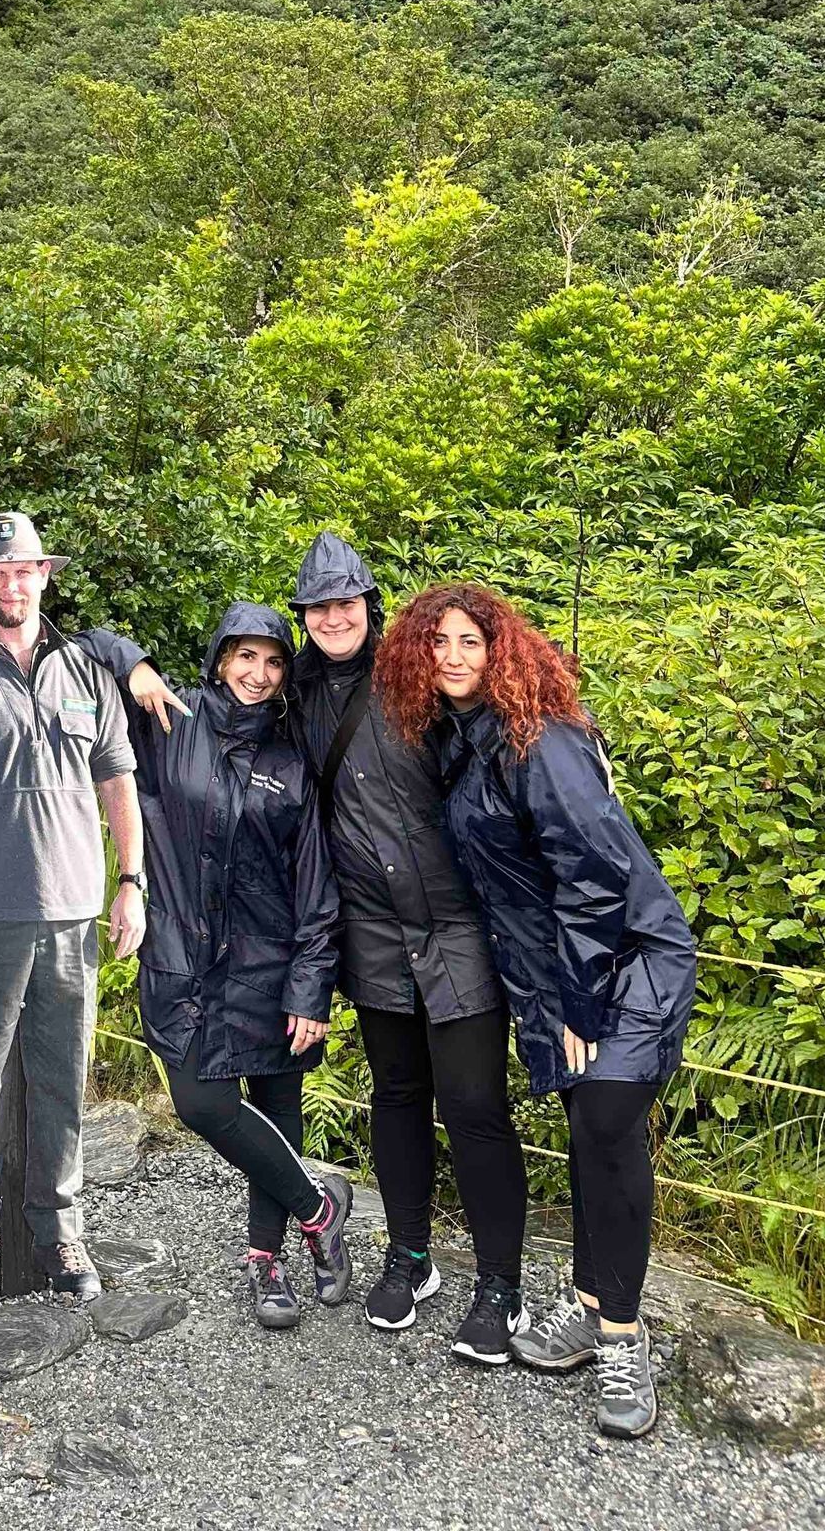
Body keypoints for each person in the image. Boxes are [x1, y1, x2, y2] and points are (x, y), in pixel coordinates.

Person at [375, 584, 698, 1440]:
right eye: (437, 640)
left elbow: (593, 879)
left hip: (624, 962)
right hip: (553, 976)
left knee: (605, 1129)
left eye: (470, 641)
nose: (451, 655)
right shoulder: (464, 742)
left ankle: (623, 1339)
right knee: (589, 1134)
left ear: (500, 651)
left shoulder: (539, 740)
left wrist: (581, 1006)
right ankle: (594, 1303)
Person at [282, 532, 530, 1359]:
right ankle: (410, 1255)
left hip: (458, 929)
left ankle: (502, 1283)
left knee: (474, 1108)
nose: (333, 616)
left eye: (345, 601)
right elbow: (221, 702)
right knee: (395, 1096)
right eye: (318, 606)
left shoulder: (416, 675)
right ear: (305, 617)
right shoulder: (299, 693)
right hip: (373, 933)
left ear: (369, 603)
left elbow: (496, 737)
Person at [0, 511, 147, 1308]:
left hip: (77, 911)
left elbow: (118, 780)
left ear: (45, 575)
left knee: (63, 1080)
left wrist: (133, 882)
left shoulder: (87, 673)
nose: (11, 584)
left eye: (25, 570)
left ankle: (58, 1227)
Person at [122, 602, 356, 1328]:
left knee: (278, 1111)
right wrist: (131, 663)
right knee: (203, 1104)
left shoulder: (291, 761)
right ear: (220, 658)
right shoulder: (170, 723)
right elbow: (83, 652)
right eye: (244, 657)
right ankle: (320, 1211)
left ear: (286, 674)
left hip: (271, 968)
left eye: (273, 661)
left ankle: (267, 1264)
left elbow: (318, 886)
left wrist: (311, 990)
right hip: (181, 962)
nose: (257, 674)